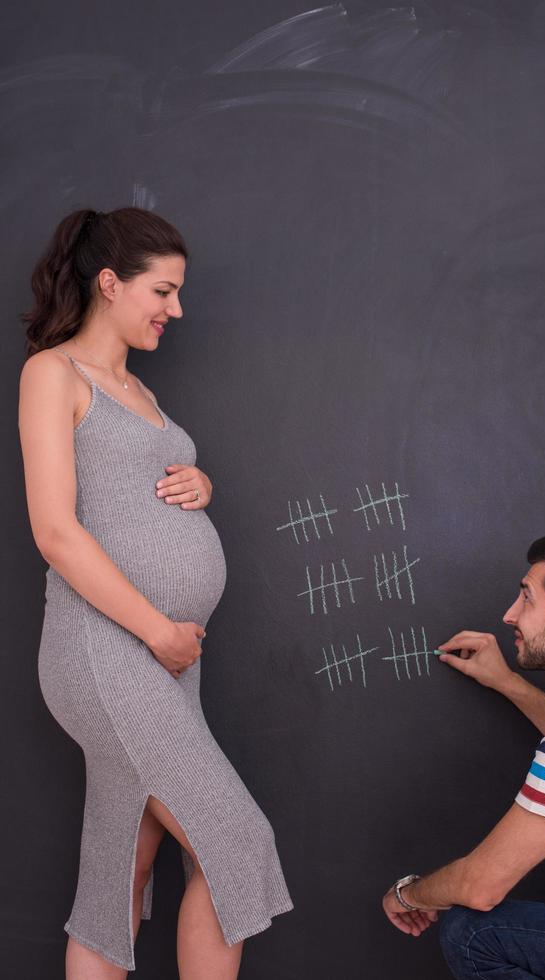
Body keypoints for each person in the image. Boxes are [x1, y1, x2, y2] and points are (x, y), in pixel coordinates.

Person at [18, 207, 293, 979]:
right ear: (110, 284)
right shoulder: (53, 374)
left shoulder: (137, 390)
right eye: (163, 291)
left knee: (120, 871)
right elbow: (56, 531)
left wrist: (198, 482)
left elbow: (136, 483)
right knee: (235, 842)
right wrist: (158, 629)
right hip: (109, 649)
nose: (176, 309)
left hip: (168, 661)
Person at [381, 532, 545, 979]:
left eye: (527, 597)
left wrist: (407, 894)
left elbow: (480, 886)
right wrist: (507, 682)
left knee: (471, 933)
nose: (509, 615)